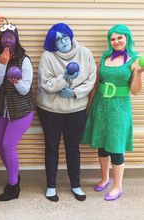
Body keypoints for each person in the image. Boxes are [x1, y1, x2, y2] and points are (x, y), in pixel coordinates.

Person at [82, 24, 144, 201]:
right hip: (100, 105)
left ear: (127, 38)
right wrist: (89, 105)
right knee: (102, 145)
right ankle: (104, 178)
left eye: (120, 37)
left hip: (119, 108)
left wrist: (139, 72)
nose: (116, 41)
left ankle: (118, 186)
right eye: (112, 38)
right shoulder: (104, 57)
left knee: (116, 147)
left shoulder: (134, 60)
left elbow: (135, 91)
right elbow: (96, 83)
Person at [36, 23, 96, 202]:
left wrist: (75, 93)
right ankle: (51, 186)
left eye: (64, 37)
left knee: (73, 147)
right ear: (52, 43)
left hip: (76, 109)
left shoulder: (85, 53)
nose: (62, 41)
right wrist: (65, 78)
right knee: (52, 147)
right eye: (57, 39)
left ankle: (76, 185)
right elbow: (46, 85)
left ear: (70, 35)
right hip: (50, 109)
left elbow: (91, 79)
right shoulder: (47, 56)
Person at [0, 18, 35, 201]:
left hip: (22, 110)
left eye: (11, 37)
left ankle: (13, 186)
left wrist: (15, 81)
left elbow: (25, 89)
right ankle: (14, 175)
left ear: (16, 39)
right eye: (4, 37)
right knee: (0, 146)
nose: (7, 40)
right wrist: (2, 64)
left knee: (9, 146)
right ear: (0, 40)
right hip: (3, 109)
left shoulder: (24, 60)